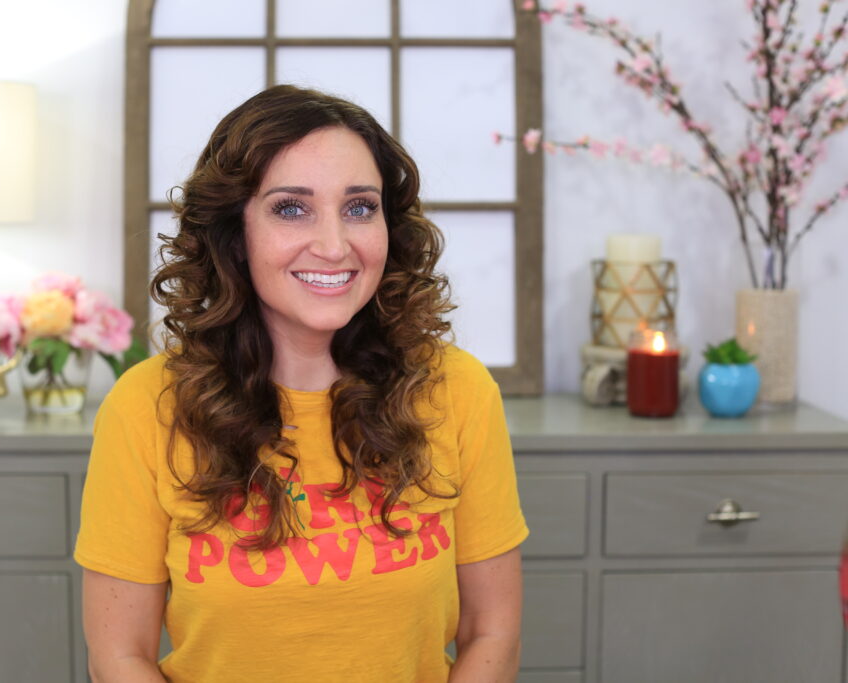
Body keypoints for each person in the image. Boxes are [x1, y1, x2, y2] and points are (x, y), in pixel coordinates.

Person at [74, 84, 529, 682]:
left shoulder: (458, 391)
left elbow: (491, 631)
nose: (335, 245)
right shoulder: (146, 406)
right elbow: (120, 655)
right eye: (292, 207)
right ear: (235, 233)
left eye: (360, 207)